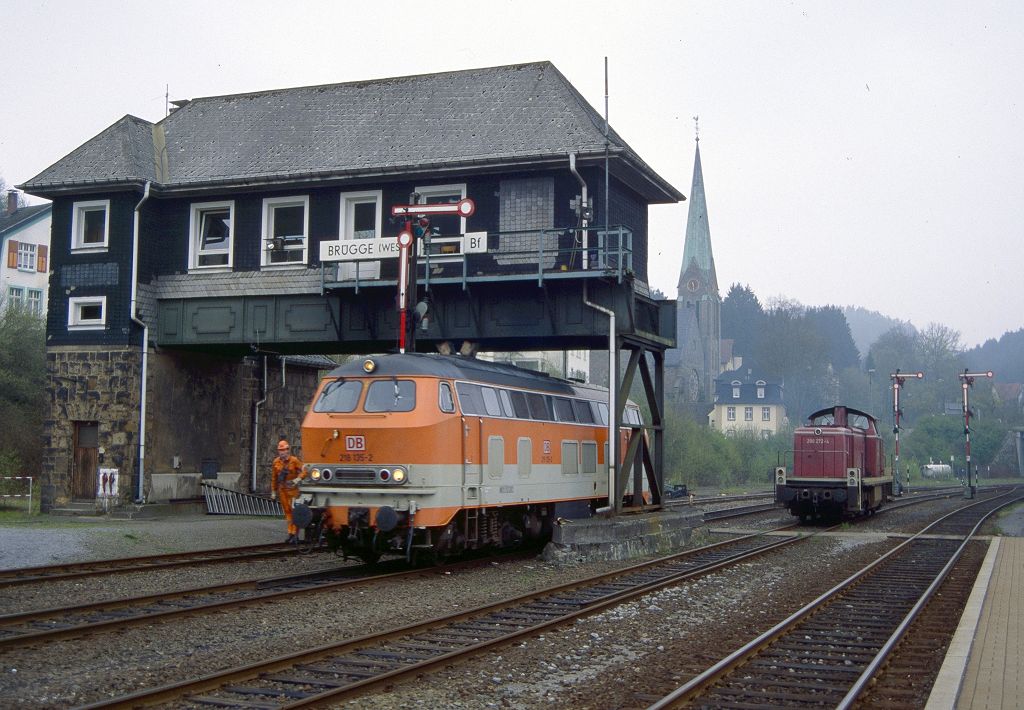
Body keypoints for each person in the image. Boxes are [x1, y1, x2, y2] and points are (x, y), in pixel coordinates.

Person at [270, 439, 305, 543]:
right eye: (280, 450)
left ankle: (295, 534)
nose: (282, 452)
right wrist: (273, 491)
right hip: (282, 490)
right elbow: (274, 478)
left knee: (294, 512)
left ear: (287, 450)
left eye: (283, 450)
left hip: (293, 490)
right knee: (287, 512)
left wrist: (298, 479)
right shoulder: (276, 462)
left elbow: (305, 471)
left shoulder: (294, 460)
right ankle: (290, 533)